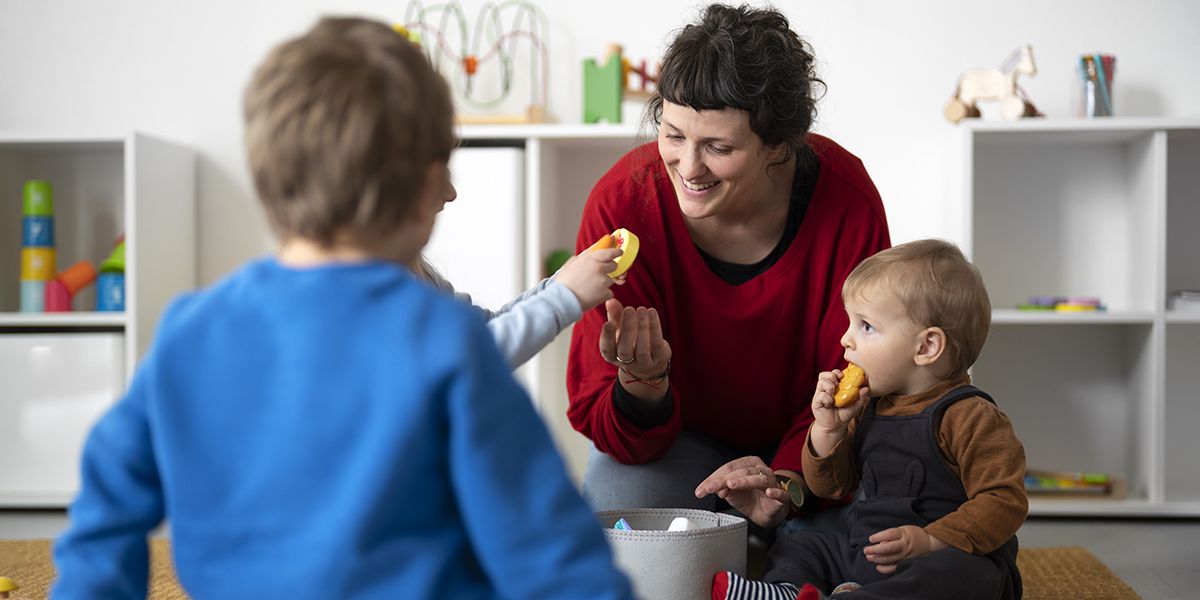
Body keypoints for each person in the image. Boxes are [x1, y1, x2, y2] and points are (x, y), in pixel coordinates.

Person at [52, 17, 634, 599]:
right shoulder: (445, 345)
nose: (452, 194)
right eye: (446, 174)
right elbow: (553, 549)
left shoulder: (190, 332)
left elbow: (104, 518)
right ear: (420, 186)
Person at [567, 3, 891, 518]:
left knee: (889, 530)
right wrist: (641, 385)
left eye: (718, 147)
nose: (688, 168)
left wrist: (787, 480)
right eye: (673, 135)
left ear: (778, 145)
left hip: (815, 444)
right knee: (625, 529)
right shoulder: (621, 206)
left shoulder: (846, 201)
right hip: (678, 445)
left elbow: (861, 372)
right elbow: (610, 424)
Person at [702, 239, 1028, 600]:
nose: (845, 340)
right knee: (802, 546)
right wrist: (829, 429)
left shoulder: (971, 417)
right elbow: (831, 487)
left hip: (943, 556)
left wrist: (930, 540)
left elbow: (1004, 500)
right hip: (867, 555)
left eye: (866, 327)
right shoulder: (871, 407)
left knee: (959, 574)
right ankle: (786, 591)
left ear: (926, 347)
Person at [411, 223, 623, 368]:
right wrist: (566, 295)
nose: (451, 194)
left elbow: (484, 330)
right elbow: (468, 357)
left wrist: (564, 279)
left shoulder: (420, 273)